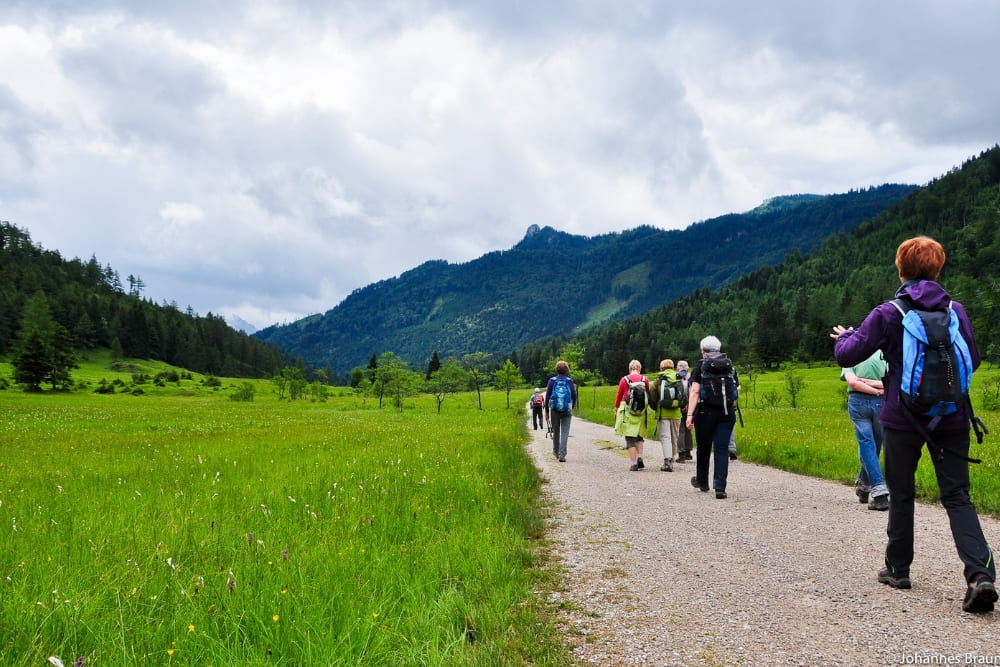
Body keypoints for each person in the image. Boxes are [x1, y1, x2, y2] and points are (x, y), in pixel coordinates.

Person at [832, 235, 997, 614]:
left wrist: (846, 336)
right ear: (938, 269)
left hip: (902, 418)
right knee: (957, 496)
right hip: (953, 416)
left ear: (901, 269)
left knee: (902, 493)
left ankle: (898, 568)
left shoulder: (889, 312)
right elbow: (972, 356)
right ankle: (979, 576)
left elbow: (849, 352)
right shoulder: (957, 311)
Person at [685, 336, 738, 499]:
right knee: (721, 449)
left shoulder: (701, 365)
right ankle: (720, 487)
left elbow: (694, 391)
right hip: (726, 412)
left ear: (703, 351)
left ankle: (702, 481)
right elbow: (736, 389)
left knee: (704, 447)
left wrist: (689, 415)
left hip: (705, 412)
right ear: (719, 349)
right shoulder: (729, 364)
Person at [841, 350, 890, 511]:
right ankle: (864, 486)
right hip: (882, 402)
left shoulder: (850, 354)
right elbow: (889, 383)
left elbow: (853, 382)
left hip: (858, 402)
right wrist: (878, 390)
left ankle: (878, 490)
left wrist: (863, 382)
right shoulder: (884, 354)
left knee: (867, 444)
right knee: (874, 445)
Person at [615, 359, 650, 471]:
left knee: (630, 438)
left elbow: (619, 395)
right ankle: (640, 457)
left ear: (630, 369)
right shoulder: (645, 379)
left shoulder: (624, 380)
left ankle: (634, 463)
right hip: (641, 412)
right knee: (639, 436)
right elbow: (648, 394)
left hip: (628, 411)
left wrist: (616, 409)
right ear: (639, 369)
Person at [649, 359, 682, 471]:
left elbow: (652, 397)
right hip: (676, 413)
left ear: (661, 368)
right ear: (672, 367)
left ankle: (667, 461)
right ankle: (672, 457)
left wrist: (656, 408)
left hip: (663, 412)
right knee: (674, 436)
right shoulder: (678, 378)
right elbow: (684, 396)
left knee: (665, 437)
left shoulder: (659, 379)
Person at [545, 360, 578, 463]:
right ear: (567, 370)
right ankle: (562, 455)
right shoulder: (569, 381)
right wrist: (572, 406)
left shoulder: (552, 381)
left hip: (554, 409)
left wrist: (546, 411)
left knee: (556, 431)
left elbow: (547, 397)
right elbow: (574, 395)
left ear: (556, 369)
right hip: (567, 409)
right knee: (565, 432)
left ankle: (556, 452)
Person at [675, 360, 694, 462]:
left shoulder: (675, 378)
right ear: (688, 368)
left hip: (678, 407)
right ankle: (688, 452)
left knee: (680, 430)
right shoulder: (692, 377)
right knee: (688, 429)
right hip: (690, 406)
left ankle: (681, 453)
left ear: (677, 368)